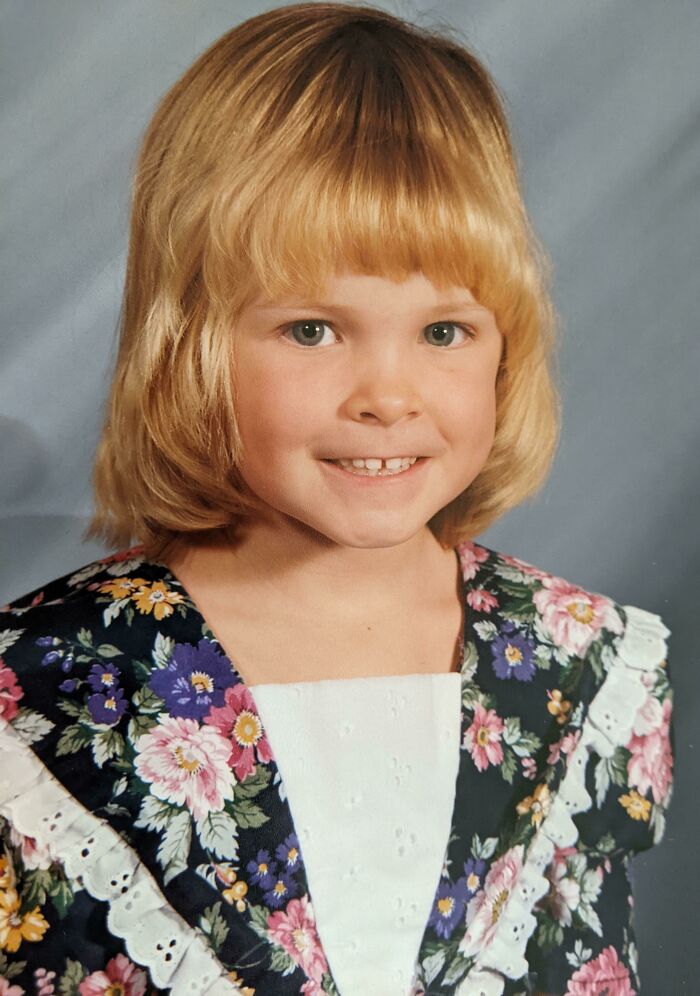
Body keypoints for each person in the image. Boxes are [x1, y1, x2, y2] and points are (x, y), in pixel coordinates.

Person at [0, 3, 675, 995]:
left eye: (443, 332)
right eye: (312, 330)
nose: (387, 398)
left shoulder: (583, 672)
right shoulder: (41, 690)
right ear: (189, 342)